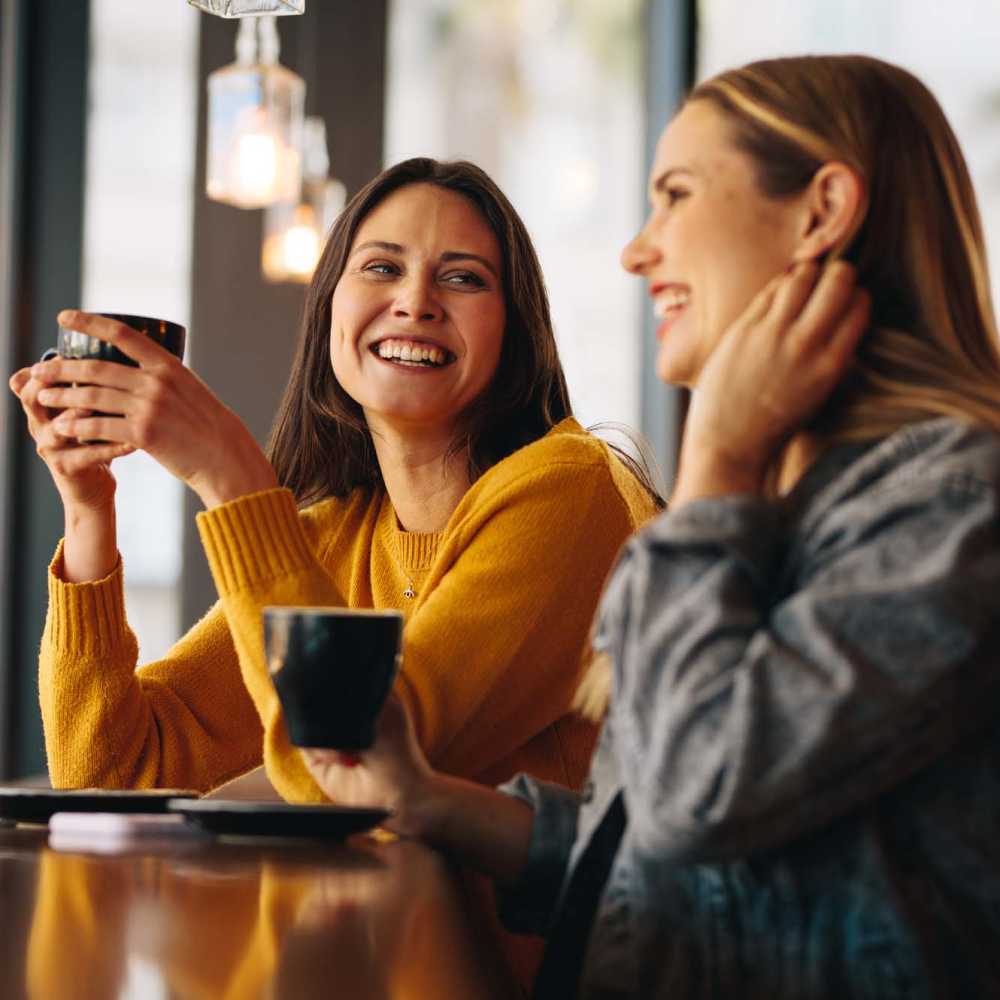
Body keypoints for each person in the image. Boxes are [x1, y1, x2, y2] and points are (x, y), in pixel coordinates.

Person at [300, 55, 1000, 998]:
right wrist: (431, 804)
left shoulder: (956, 508)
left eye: (675, 195)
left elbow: (695, 795)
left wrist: (714, 458)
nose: (638, 249)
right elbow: (668, 867)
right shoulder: (802, 504)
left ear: (822, 211)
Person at [8, 158, 660, 805]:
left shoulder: (567, 492)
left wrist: (228, 473)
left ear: (514, 330)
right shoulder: (334, 538)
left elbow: (363, 765)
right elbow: (115, 777)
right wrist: (89, 510)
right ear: (328, 313)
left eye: (463, 278)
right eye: (382, 268)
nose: (415, 302)